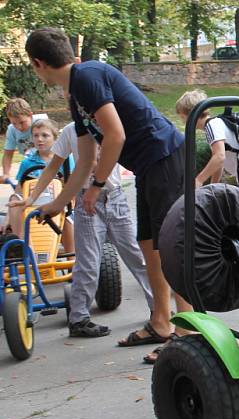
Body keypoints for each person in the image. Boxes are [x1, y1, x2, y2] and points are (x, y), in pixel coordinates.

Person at [25, 27, 191, 359]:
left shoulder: (86, 76)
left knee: (170, 246)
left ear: (37, 63)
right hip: (148, 166)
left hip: (164, 155)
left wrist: (98, 186)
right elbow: (85, 158)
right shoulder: (76, 96)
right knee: (149, 245)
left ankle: (186, 333)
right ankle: (161, 321)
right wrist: (58, 204)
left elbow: (115, 135)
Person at [10, 119, 155, 337]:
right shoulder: (71, 130)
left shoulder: (112, 124)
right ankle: (79, 319)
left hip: (114, 199)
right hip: (87, 201)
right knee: (87, 262)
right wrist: (31, 197)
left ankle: (158, 309)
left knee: (138, 256)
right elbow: (52, 167)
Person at [175, 89, 239, 205]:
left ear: (191, 114)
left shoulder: (211, 126)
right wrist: (212, 187)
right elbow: (219, 162)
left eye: (182, 117)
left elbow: (220, 157)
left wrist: (199, 180)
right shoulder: (215, 124)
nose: (183, 121)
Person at [4, 118, 74, 251]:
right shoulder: (27, 163)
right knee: (14, 199)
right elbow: (19, 192)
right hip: (32, 204)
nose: (39, 139)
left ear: (55, 138)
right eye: (35, 136)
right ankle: (22, 245)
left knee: (67, 213)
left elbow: (72, 187)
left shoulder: (65, 160)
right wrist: (8, 218)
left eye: (45, 135)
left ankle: (71, 255)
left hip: (57, 203)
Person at [2, 97, 48, 187]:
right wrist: (6, 173)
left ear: (30, 116)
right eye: (14, 123)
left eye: (22, 122)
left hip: (47, 162)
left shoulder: (42, 122)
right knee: (24, 189)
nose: (19, 127)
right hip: (30, 164)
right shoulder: (12, 130)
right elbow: (8, 154)